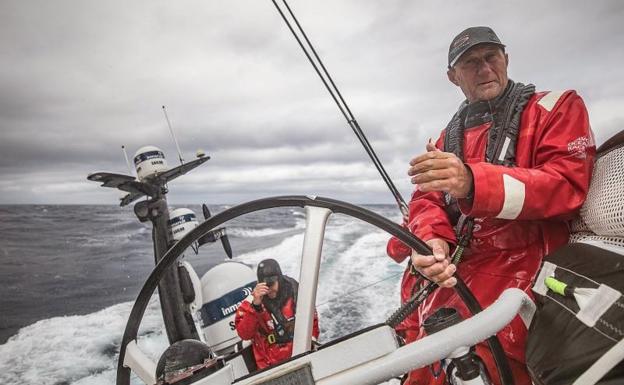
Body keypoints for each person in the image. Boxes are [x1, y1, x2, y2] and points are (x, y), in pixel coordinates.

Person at [387, 26, 595, 384]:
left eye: (491, 57)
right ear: (453, 77)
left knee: (485, 365)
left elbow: (566, 186)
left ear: (506, 59)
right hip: (457, 273)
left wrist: (472, 181)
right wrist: (432, 243)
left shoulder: (556, 108)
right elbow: (425, 200)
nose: (484, 69)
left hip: (530, 268)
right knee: (420, 365)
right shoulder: (443, 139)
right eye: (470, 63)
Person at [234, 258, 320, 370]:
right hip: (269, 367)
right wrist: (255, 306)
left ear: (279, 279)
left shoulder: (297, 293)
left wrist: (311, 345)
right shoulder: (250, 303)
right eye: (266, 285)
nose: (269, 289)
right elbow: (245, 335)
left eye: (272, 283)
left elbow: (312, 322)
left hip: (300, 357)